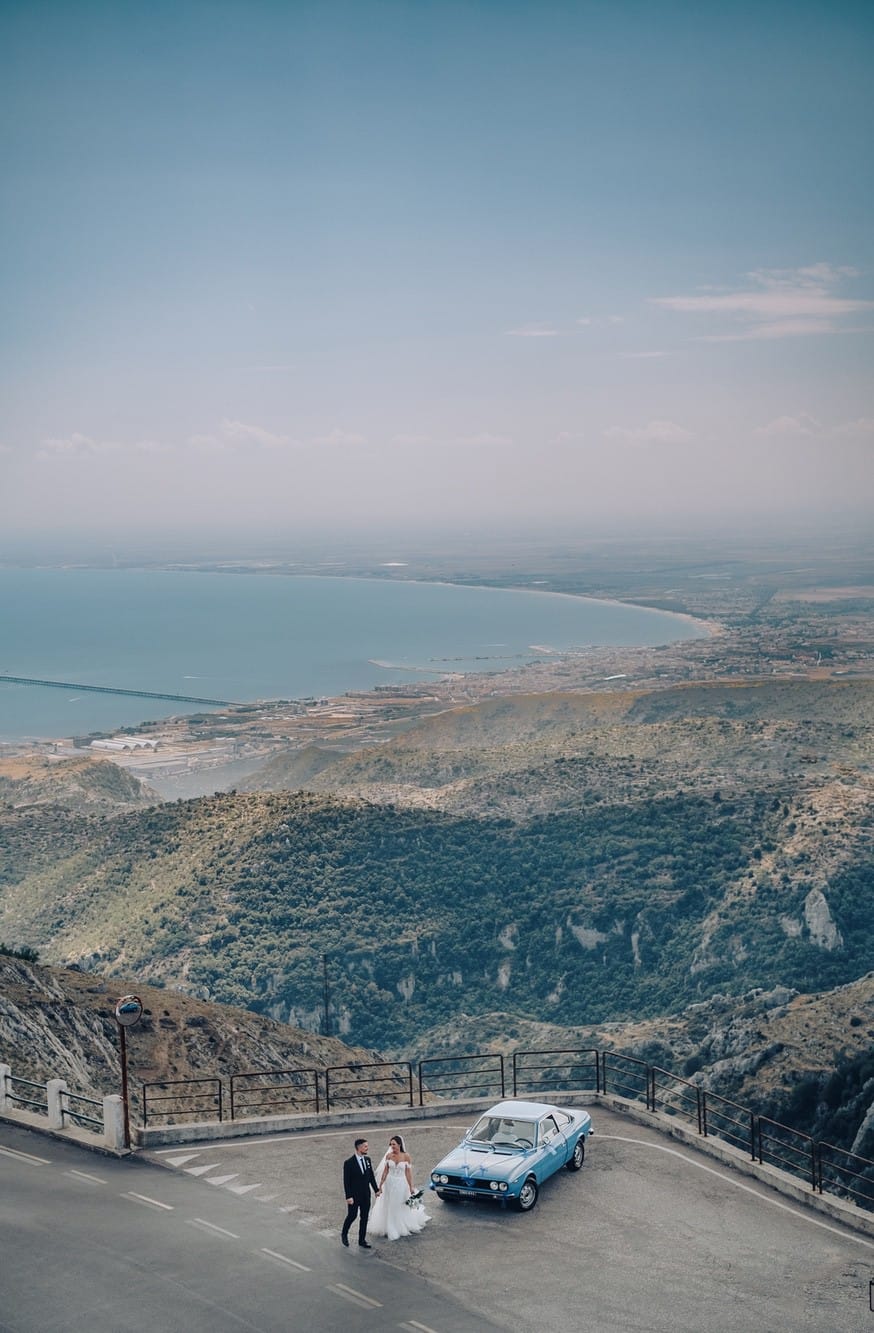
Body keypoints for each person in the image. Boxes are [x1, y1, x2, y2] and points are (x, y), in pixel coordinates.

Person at [367, 1133, 430, 1241]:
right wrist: (381, 1185)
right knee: (389, 1204)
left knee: (399, 1204)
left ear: (399, 1144)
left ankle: (399, 1225)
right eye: (391, 1144)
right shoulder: (389, 1156)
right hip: (389, 1183)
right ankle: (389, 1226)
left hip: (401, 1183)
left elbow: (408, 1173)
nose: (392, 1146)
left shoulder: (406, 1156)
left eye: (394, 1144)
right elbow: (385, 1171)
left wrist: (411, 1186)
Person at [341, 1137, 381, 1249]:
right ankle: (344, 1234)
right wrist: (348, 1196)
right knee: (352, 1215)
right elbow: (346, 1181)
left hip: (366, 1195)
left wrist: (376, 1190)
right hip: (354, 1196)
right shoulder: (349, 1163)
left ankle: (362, 1240)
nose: (367, 1148)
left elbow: (371, 1176)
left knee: (364, 1217)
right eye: (365, 1146)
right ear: (359, 1148)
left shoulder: (367, 1160)